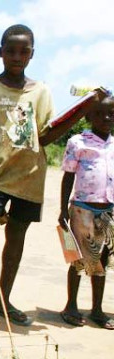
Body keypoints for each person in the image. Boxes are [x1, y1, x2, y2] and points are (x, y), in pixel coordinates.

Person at [0, 24, 104, 331]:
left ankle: (3, 299)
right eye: (11, 51)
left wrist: (80, 111)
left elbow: (44, 137)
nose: (17, 57)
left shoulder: (41, 91)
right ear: (0, 53)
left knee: (16, 237)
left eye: (23, 51)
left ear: (32, 54)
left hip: (29, 177)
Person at [59, 95, 114, 330]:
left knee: (102, 260)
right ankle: (70, 306)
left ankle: (97, 309)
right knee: (79, 259)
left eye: (111, 113)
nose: (106, 118)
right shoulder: (78, 142)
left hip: (108, 210)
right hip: (82, 209)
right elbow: (68, 176)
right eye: (99, 113)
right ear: (89, 116)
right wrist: (62, 208)